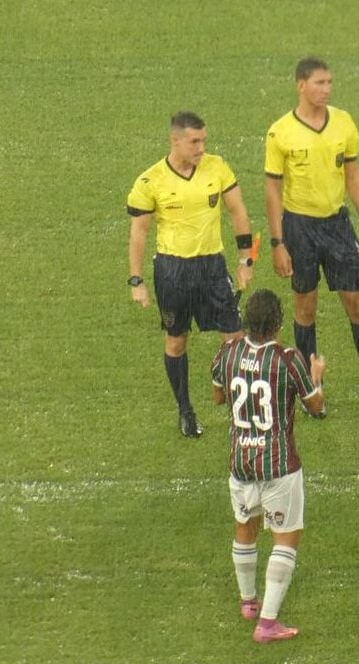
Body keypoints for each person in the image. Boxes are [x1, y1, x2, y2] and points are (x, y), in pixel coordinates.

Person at [264, 56, 359, 419]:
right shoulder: (280, 132)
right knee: (305, 308)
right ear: (301, 85)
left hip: (337, 225)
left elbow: (353, 175)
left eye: (330, 83)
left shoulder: (344, 123)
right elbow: (273, 191)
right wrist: (278, 243)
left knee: (357, 305)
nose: (327, 89)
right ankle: (312, 390)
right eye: (320, 83)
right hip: (299, 227)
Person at [127, 111, 255, 438]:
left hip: (212, 266)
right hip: (173, 272)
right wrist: (137, 280)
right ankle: (185, 410)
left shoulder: (217, 167)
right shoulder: (150, 181)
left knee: (235, 339)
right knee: (176, 341)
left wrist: (245, 260)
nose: (201, 148)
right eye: (194, 141)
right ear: (176, 140)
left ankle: (241, 411)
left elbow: (238, 210)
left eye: (204, 141)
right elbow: (139, 233)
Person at [211, 288, 326, 644]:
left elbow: (218, 396)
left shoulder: (228, 353)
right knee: (286, 538)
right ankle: (267, 622)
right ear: (277, 323)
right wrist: (318, 375)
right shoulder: (288, 359)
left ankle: (248, 602)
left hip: (241, 461)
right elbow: (316, 407)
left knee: (245, 526)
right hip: (279, 466)